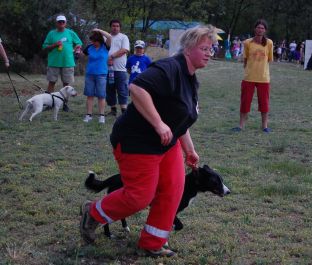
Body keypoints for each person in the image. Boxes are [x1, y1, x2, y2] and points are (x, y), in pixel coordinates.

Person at [79, 25, 218, 257]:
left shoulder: (191, 79)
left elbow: (179, 117)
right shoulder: (170, 67)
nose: (209, 53)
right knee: (139, 196)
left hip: (166, 143)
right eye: (204, 48)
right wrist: (158, 123)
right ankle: (92, 213)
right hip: (137, 140)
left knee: (174, 188)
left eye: (211, 48)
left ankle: (152, 242)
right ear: (188, 48)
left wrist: (189, 150)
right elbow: (137, 88)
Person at [232, 19, 273, 133]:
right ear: (255, 29)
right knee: (245, 102)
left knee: (264, 103)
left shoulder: (269, 43)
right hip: (249, 77)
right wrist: (248, 70)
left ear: (265, 30)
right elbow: (245, 59)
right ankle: (241, 126)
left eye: (262, 28)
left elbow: (269, 59)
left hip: (263, 78)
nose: (260, 30)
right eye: (258, 27)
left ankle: (264, 126)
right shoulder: (247, 43)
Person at [42, 14, 82, 112]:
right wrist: (55, 45)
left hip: (68, 62)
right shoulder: (51, 34)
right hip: (54, 62)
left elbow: (79, 43)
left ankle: (65, 104)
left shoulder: (71, 33)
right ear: (56, 23)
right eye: (59, 22)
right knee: (51, 82)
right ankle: (49, 103)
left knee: (66, 85)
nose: (61, 24)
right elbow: (44, 47)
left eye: (63, 22)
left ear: (65, 23)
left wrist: (77, 49)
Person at [82, 29, 112, 123]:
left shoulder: (106, 47)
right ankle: (89, 115)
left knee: (101, 95)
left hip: (101, 74)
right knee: (89, 95)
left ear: (100, 41)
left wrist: (98, 30)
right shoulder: (89, 47)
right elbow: (82, 56)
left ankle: (101, 116)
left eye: (96, 41)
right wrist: (77, 53)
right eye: (92, 41)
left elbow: (109, 37)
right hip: (90, 74)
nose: (94, 43)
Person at [106, 19, 130, 116]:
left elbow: (124, 50)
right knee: (110, 90)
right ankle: (113, 109)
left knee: (122, 90)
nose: (115, 28)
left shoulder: (123, 37)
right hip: (108, 69)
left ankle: (124, 111)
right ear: (110, 27)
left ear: (120, 27)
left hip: (120, 69)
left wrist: (112, 56)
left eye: (117, 26)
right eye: (113, 26)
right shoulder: (106, 37)